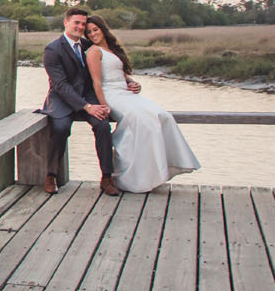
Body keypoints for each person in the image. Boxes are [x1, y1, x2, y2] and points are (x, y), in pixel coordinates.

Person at [83, 15, 199, 193]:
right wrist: (104, 105)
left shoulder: (111, 49)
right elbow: (97, 82)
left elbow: (117, 72)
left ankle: (162, 168)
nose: (92, 34)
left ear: (103, 29)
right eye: (88, 32)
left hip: (125, 91)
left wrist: (131, 82)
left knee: (162, 115)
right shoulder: (94, 51)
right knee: (141, 120)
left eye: (95, 30)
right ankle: (130, 175)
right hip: (111, 95)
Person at [35, 7, 132, 196]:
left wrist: (129, 81)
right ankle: (51, 175)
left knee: (103, 126)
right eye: (76, 23)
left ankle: (106, 177)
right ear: (66, 23)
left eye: (83, 24)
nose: (80, 27)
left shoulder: (89, 46)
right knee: (61, 128)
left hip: (88, 97)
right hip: (63, 99)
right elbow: (61, 85)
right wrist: (86, 106)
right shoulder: (52, 49)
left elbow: (107, 67)